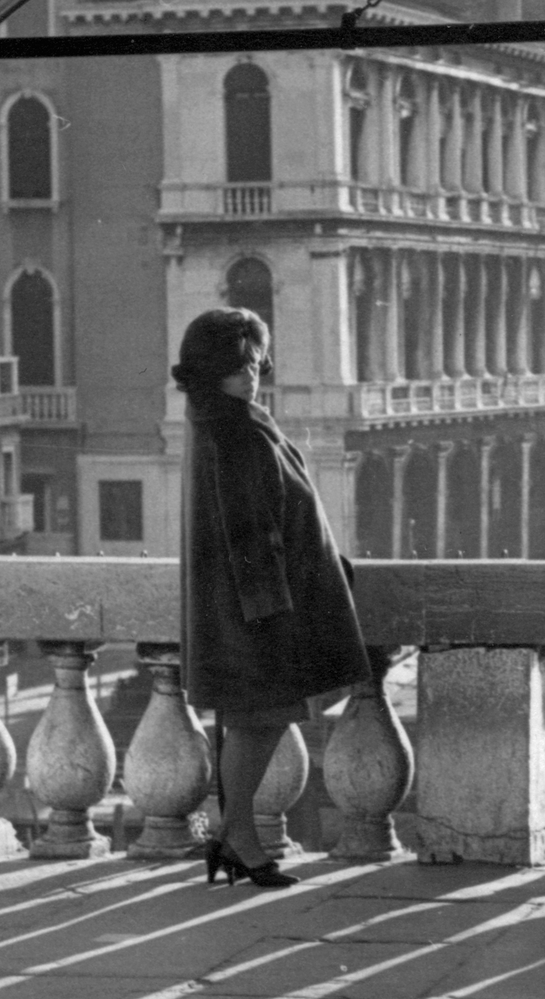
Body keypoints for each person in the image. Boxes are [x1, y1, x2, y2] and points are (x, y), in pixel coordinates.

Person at [176, 308, 370, 888]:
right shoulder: (230, 428)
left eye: (256, 365)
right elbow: (248, 526)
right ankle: (237, 839)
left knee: (257, 720)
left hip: (250, 603)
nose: (251, 376)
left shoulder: (228, 420)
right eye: (238, 367)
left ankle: (236, 838)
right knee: (259, 719)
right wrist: (269, 604)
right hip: (255, 608)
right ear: (213, 372)